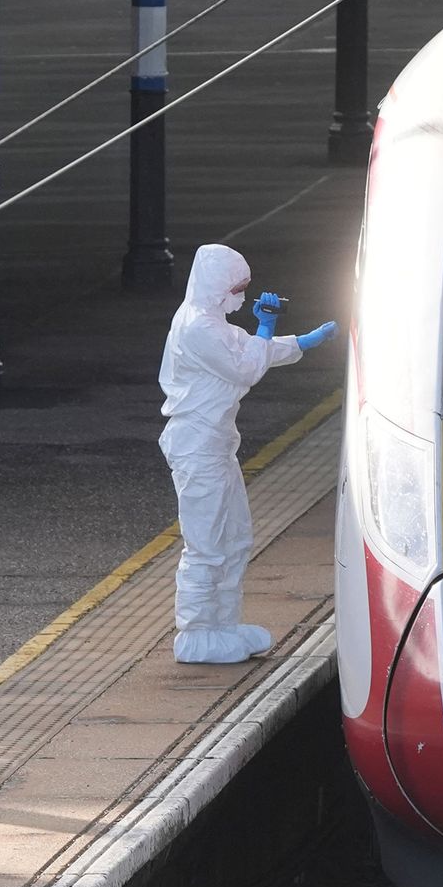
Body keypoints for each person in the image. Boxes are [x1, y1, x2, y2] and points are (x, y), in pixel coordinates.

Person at [158, 244, 337, 664]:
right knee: (206, 543)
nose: (241, 296)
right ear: (216, 286)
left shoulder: (211, 323)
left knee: (235, 538)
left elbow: (249, 349)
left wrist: (301, 342)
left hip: (215, 445)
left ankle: (222, 624)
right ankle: (196, 633)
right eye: (237, 288)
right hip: (197, 446)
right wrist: (266, 326)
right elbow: (245, 367)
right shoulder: (197, 328)